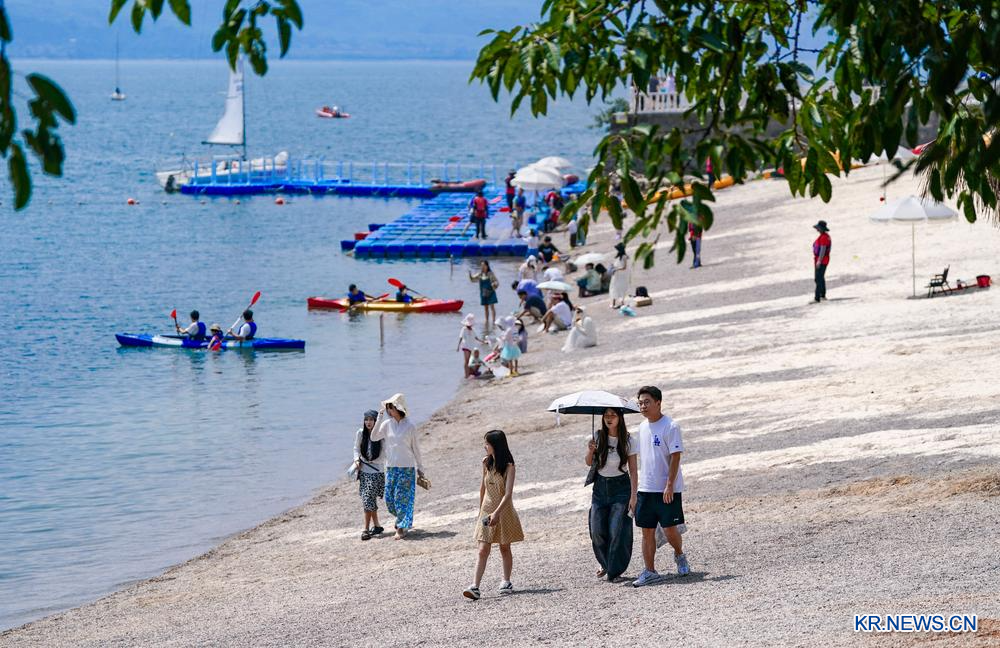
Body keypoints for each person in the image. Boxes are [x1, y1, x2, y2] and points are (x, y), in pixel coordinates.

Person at [632, 386, 690, 587]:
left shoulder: (671, 426)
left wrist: (669, 485)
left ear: (658, 402)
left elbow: (675, 457)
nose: (643, 406)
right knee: (646, 531)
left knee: (670, 529)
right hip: (646, 489)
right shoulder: (642, 427)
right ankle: (650, 571)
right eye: (640, 403)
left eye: (647, 402)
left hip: (667, 489)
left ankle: (679, 554)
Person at [463, 430, 523, 600]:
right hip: (486, 510)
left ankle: (506, 580)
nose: (485, 446)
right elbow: (483, 488)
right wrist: (480, 510)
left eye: (487, 443)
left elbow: (508, 494)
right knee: (483, 549)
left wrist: (497, 513)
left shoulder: (509, 467)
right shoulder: (485, 463)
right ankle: (475, 587)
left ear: (495, 445)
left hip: (503, 511)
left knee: (504, 547)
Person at [585, 408, 638, 581]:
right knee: (596, 529)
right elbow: (588, 463)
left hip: (621, 488)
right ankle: (605, 563)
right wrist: (591, 450)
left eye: (613, 415)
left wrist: (634, 496)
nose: (609, 418)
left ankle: (614, 571)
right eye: (606, 415)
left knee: (617, 530)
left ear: (620, 418)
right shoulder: (598, 436)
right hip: (600, 488)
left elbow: (633, 471)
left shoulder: (628, 440)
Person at [369, 394, 425, 540]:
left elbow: (416, 448)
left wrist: (420, 468)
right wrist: (379, 418)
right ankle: (402, 519)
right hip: (391, 467)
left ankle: (401, 528)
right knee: (389, 498)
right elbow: (374, 437)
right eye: (388, 408)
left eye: (391, 408)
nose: (388, 411)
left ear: (398, 408)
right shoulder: (387, 424)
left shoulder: (410, 426)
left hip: (406, 467)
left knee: (401, 498)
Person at [353, 410, 385, 541]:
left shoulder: (381, 435)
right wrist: (356, 460)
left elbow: (385, 453)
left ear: (376, 421)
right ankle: (375, 526)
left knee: (368, 499)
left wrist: (373, 461)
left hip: (377, 471)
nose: (368, 422)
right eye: (366, 419)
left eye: (371, 419)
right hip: (364, 472)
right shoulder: (360, 433)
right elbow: (356, 448)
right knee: (369, 499)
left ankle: (366, 529)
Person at [469, 260, 499, 329]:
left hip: (491, 292)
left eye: (484, 265)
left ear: (487, 266)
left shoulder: (490, 274)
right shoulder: (480, 274)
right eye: (481, 265)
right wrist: (470, 275)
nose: (482, 267)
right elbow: (473, 279)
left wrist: (494, 284)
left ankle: (494, 321)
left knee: (492, 307)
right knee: (485, 308)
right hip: (483, 293)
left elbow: (497, 282)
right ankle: (487, 321)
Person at [812, 220, 831, 303]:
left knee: (818, 278)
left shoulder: (824, 237)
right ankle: (822, 295)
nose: (817, 229)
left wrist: (819, 261)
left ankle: (817, 298)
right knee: (821, 278)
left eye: (818, 228)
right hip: (823, 260)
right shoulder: (825, 236)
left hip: (822, 260)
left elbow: (823, 250)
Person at [457, 314, 481, 379]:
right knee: (466, 361)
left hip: (471, 347)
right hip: (465, 346)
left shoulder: (472, 330)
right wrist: (458, 346)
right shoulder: (464, 329)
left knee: (471, 361)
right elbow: (461, 337)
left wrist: (483, 342)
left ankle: (470, 373)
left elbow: (476, 338)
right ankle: (466, 375)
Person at [609, 243, 631, 309]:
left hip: (622, 275)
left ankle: (620, 303)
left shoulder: (624, 257)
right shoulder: (618, 256)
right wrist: (613, 267)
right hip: (617, 275)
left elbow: (624, 267)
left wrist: (616, 269)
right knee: (614, 287)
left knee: (620, 288)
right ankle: (615, 303)